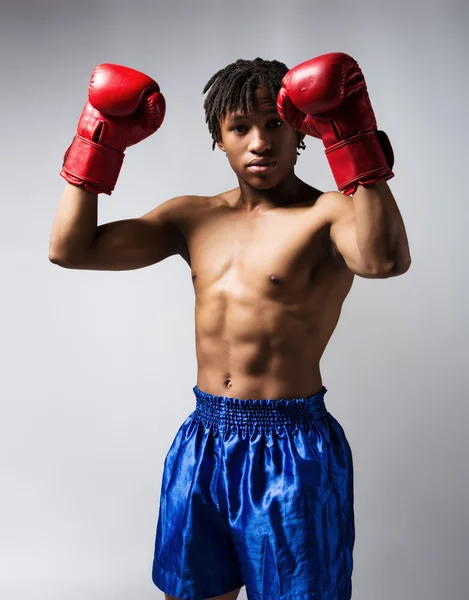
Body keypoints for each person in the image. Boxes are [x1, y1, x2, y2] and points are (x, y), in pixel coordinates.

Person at [49, 54, 411, 600]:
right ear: (219, 138)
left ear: (303, 132)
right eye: (240, 127)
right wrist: (99, 143)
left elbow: (385, 261)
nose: (259, 142)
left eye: (275, 124)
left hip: (293, 448)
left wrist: (354, 140)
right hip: (204, 440)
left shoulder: (330, 212)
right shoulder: (192, 217)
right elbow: (70, 250)